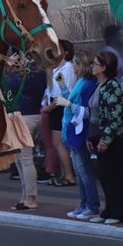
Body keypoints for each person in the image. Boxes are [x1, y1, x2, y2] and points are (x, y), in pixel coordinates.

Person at [90, 50, 123, 224]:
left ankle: (118, 212)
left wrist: (106, 139)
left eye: (95, 64)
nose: (92, 66)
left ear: (104, 67)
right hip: (96, 134)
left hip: (111, 138)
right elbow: (93, 113)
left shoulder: (112, 86)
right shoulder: (98, 86)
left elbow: (116, 115)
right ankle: (107, 210)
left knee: (112, 175)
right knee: (104, 176)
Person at [63, 55, 101, 220]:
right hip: (72, 131)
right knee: (79, 171)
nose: (72, 66)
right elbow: (70, 97)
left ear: (80, 65)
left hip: (81, 132)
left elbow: (86, 111)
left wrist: (69, 105)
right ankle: (84, 203)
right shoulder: (81, 82)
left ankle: (92, 205)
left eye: (75, 63)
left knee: (84, 171)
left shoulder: (88, 85)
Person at [11, 56, 48, 211]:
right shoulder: (36, 72)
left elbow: (12, 85)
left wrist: (11, 70)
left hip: (27, 117)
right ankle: (25, 196)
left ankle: (30, 198)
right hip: (26, 115)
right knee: (19, 158)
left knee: (25, 158)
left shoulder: (34, 73)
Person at [43, 39, 78, 186]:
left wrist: (50, 107)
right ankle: (64, 174)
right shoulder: (56, 69)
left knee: (59, 143)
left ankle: (69, 175)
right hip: (54, 107)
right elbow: (50, 90)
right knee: (57, 142)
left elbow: (66, 93)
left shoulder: (68, 67)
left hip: (61, 108)